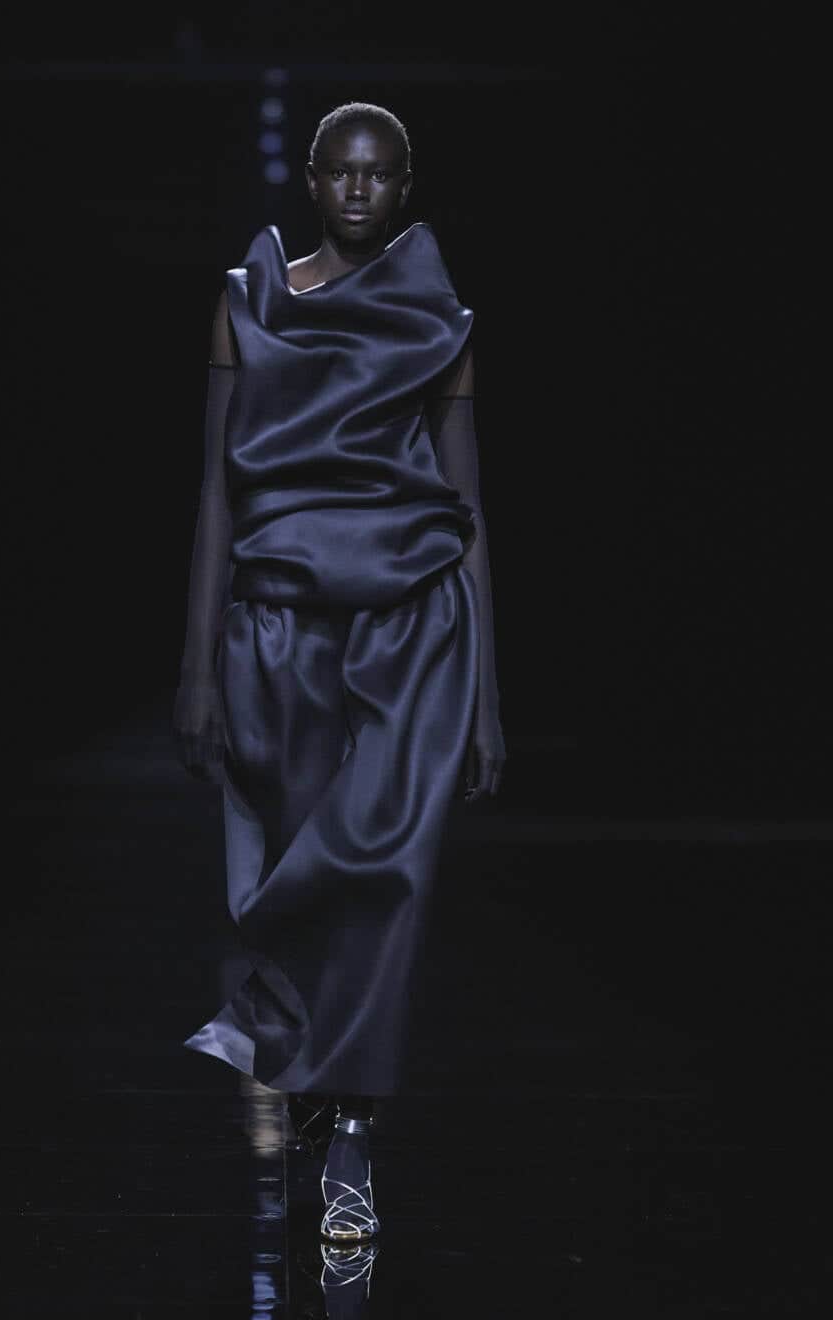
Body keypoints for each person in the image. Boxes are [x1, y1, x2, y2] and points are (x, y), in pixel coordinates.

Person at [173, 102, 506, 1243]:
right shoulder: (248, 303)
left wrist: (488, 697)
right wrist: (196, 669)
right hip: (276, 634)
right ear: (313, 180)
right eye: (341, 171)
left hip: (414, 636)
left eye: (381, 174)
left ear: (405, 186)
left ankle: (353, 1126)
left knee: (384, 879)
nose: (359, 190)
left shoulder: (443, 325)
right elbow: (217, 490)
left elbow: (467, 512)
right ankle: (319, 1101)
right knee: (301, 882)